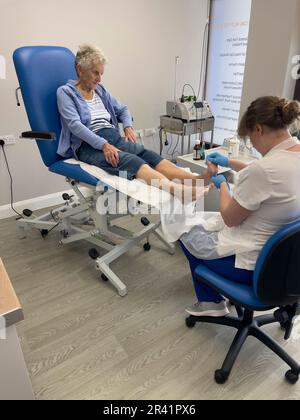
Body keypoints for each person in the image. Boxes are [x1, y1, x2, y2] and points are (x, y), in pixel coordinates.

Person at [180, 96, 300, 317]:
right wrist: (229, 163)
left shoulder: (263, 171)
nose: (251, 145)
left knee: (183, 231)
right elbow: (267, 174)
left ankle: (211, 301)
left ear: (258, 129)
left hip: (251, 267)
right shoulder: (293, 154)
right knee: (206, 222)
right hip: (289, 265)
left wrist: (223, 185)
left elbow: (229, 218)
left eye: (249, 140)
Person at [57, 44, 215, 202]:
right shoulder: (66, 92)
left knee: (148, 155)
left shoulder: (100, 90)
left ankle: (196, 180)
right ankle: (177, 190)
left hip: (113, 137)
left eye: (101, 73)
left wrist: (127, 126)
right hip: (88, 145)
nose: (99, 78)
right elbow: (75, 126)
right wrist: (104, 145)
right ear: (80, 69)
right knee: (132, 161)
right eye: (95, 73)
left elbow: (123, 109)